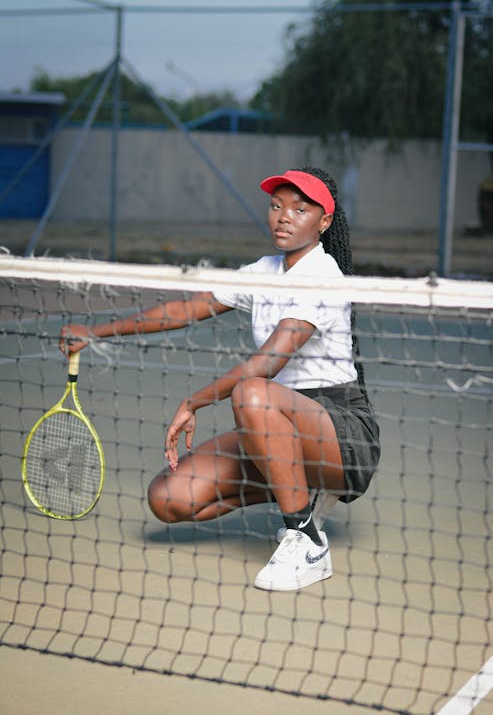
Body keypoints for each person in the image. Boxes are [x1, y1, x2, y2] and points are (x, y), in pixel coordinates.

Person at [59, 166, 380, 592]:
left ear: (323, 222)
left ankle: (306, 540)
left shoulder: (322, 277)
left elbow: (267, 364)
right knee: (169, 497)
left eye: (299, 209)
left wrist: (193, 402)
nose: (284, 216)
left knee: (251, 391)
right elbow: (186, 310)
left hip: (341, 434)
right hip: (275, 423)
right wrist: (95, 332)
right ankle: (300, 488)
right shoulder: (263, 272)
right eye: (276, 206)